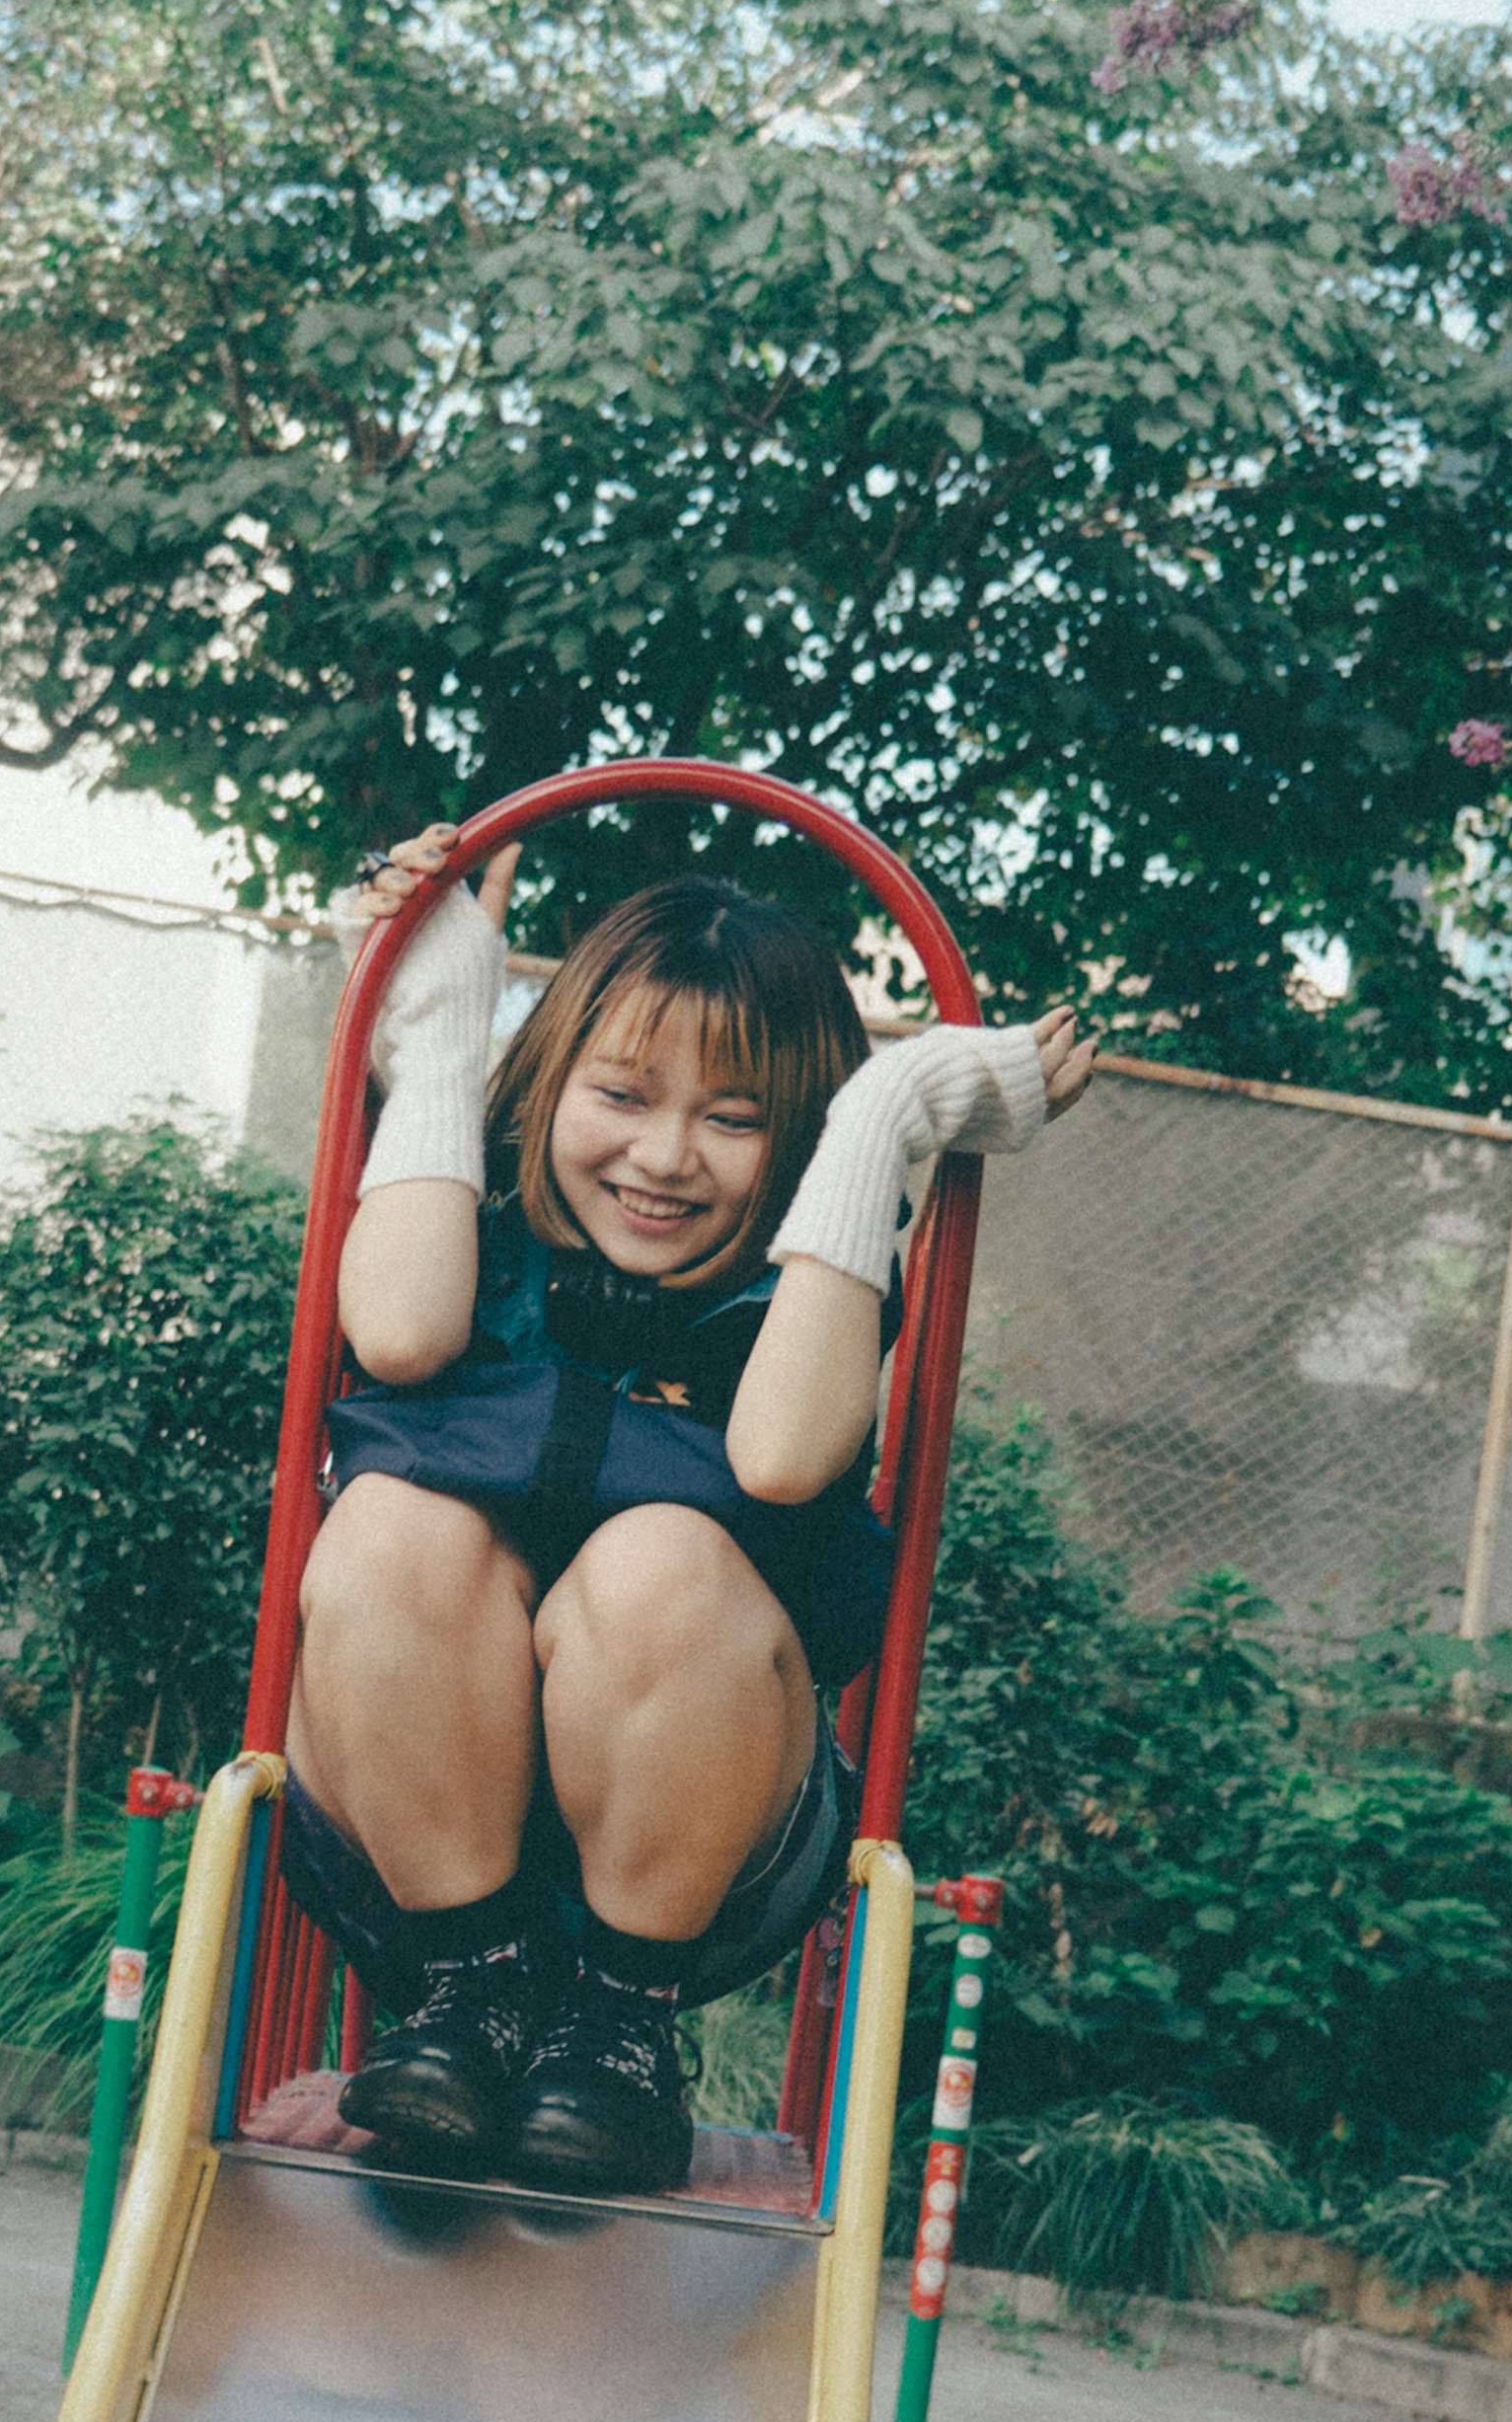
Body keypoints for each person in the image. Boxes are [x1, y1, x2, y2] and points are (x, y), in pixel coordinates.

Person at [285, 827, 1096, 2195]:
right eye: (623, 1095)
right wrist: (432, 1030)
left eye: (736, 1119)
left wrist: (886, 1117)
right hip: (396, 1838)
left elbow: (779, 1457)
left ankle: (613, 2033)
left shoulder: (805, 1287)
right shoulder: (470, 1213)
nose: (666, 1158)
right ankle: (471, 1998)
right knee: (391, 1528)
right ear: (548, 1084)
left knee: (663, 1556)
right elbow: (402, 1330)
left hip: (689, 1862)